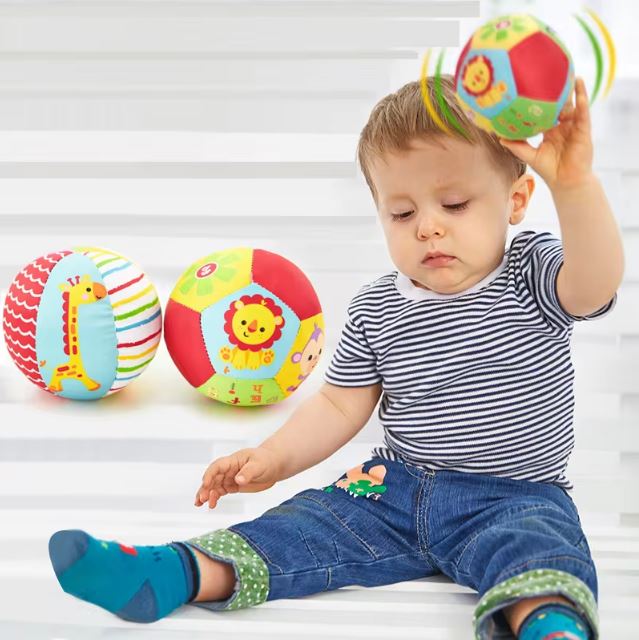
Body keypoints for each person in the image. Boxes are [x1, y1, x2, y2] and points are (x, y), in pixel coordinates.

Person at [48, 74, 623, 639]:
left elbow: (594, 285)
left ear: (516, 199)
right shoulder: (377, 306)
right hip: (395, 488)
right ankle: (175, 572)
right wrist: (272, 458)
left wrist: (574, 186)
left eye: (454, 203)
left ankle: (547, 625)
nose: (427, 227)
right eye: (402, 213)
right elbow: (340, 405)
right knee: (302, 526)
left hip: (515, 494)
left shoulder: (533, 271)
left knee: (540, 552)